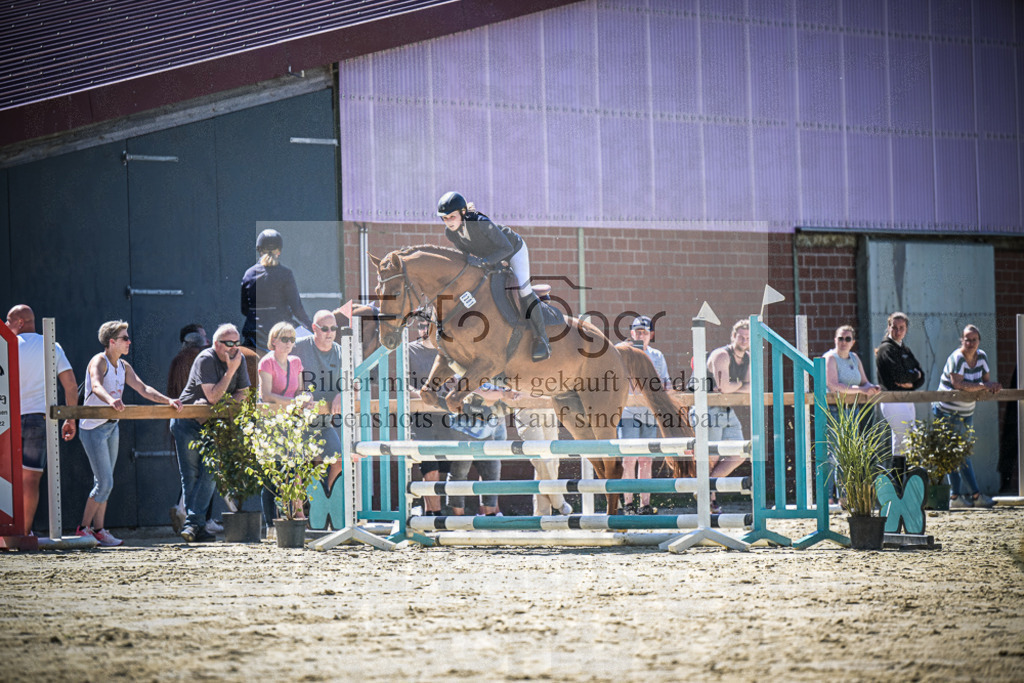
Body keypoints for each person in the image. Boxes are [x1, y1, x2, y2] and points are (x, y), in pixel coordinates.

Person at [76, 321, 182, 546]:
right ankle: (82, 529)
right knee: (105, 482)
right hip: (92, 428)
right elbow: (95, 385)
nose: (129, 341)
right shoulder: (99, 360)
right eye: (124, 338)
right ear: (111, 341)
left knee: (105, 482)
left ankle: (99, 530)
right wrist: (111, 399)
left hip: (111, 426)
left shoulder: (123, 366)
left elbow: (143, 389)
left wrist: (169, 400)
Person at [436, 191, 550, 362]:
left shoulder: (479, 222)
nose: (449, 222)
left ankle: (541, 339)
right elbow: (467, 256)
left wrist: (485, 262)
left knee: (524, 290)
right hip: (489, 258)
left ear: (463, 213)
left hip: (513, 250)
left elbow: (506, 249)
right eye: (445, 218)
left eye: (452, 216)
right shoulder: (450, 233)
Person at [171, 323, 251, 542]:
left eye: (237, 343)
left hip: (211, 422)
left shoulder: (239, 358)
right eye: (229, 343)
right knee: (191, 476)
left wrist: (219, 406)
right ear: (216, 344)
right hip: (187, 421)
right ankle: (196, 526)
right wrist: (231, 371)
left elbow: (243, 394)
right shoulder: (206, 359)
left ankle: (193, 525)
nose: (234, 347)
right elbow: (214, 396)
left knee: (212, 472)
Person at [5, 305, 77, 537]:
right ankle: (24, 534)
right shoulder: (52, 346)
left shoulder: (6, 346)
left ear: (19, 322)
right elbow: (71, 386)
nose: (5, 326)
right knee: (30, 480)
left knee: (5, 478)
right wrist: (70, 420)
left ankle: (8, 530)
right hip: (38, 419)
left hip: (8, 421)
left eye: (8, 321)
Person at [512, 285, 571, 516]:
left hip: (548, 405)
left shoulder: (553, 339)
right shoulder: (519, 336)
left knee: (551, 462)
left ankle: (542, 516)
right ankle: (558, 502)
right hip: (527, 407)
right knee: (541, 460)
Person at [933, 324, 1002, 509]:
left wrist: (992, 386)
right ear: (961, 340)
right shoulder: (957, 358)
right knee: (955, 454)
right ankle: (973, 495)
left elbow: (986, 382)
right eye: (967, 339)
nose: (970, 343)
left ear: (979, 341)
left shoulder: (982, 357)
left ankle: (956, 496)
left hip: (966, 411)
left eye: (974, 339)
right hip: (947, 411)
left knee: (961, 454)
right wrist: (983, 386)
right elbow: (958, 384)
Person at [167, 322, 223, 536]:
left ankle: (193, 520)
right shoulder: (201, 360)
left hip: (183, 417)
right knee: (204, 472)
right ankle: (199, 520)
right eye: (204, 336)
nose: (206, 340)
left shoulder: (178, 361)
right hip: (197, 418)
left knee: (192, 473)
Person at [617, 315, 671, 515]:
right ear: (632, 333)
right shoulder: (622, 351)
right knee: (629, 459)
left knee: (646, 459)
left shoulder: (657, 356)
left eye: (644, 333)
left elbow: (666, 383)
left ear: (651, 335)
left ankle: (645, 504)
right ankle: (628, 503)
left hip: (649, 412)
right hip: (629, 411)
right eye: (637, 332)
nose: (641, 335)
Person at [443, 379, 516, 516]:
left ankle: (489, 517)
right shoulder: (460, 365)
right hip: (463, 428)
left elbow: (508, 395)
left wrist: (496, 394)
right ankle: (459, 520)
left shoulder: (493, 370)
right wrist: (499, 393)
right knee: (460, 472)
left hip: (487, 428)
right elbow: (463, 390)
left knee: (492, 471)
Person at [702, 319, 753, 511]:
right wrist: (739, 385)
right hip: (706, 408)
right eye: (741, 336)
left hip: (725, 408)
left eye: (747, 337)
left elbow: (749, 387)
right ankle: (710, 499)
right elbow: (724, 387)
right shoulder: (721, 355)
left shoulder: (747, 357)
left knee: (739, 453)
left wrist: (734, 386)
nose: (744, 340)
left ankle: (706, 487)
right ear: (733, 336)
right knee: (712, 456)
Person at [292, 310, 345, 489]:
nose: (329, 333)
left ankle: (326, 498)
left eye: (333, 328)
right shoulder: (298, 347)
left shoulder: (341, 352)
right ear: (314, 328)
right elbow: (276, 369)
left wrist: (343, 393)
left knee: (339, 460)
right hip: (297, 423)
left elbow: (356, 382)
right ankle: (297, 514)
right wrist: (299, 392)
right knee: (295, 468)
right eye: (325, 329)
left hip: (324, 424)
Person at [257, 321, 305, 524]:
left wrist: (305, 398)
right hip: (271, 423)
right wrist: (293, 402)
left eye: (292, 339)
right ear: (273, 341)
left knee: (294, 472)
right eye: (284, 339)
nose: (289, 343)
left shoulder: (296, 362)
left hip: (291, 422)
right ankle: (270, 524)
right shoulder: (266, 363)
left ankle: (292, 517)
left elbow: (300, 390)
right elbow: (266, 395)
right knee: (273, 474)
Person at [406, 317, 454, 515]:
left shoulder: (444, 350)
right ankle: (433, 514)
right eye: (420, 326)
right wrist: (421, 394)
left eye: (428, 326)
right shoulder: (408, 350)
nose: (424, 329)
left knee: (444, 466)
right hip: (420, 415)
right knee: (430, 466)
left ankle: (433, 511)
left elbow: (455, 378)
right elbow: (402, 383)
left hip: (442, 413)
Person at [240, 228, 312, 349]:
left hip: (253, 332)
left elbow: (244, 309)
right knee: (308, 348)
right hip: (280, 330)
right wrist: (311, 327)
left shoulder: (249, 274)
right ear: (279, 252)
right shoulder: (286, 274)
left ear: (259, 250)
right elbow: (297, 308)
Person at [875, 312, 925, 459]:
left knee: (900, 446)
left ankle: (899, 482)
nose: (897, 331)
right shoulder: (886, 349)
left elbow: (921, 375)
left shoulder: (905, 349)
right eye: (894, 327)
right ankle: (913, 480)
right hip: (892, 400)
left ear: (906, 329)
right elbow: (899, 376)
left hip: (907, 399)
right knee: (912, 440)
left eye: (901, 328)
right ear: (888, 327)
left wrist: (913, 379)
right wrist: (913, 375)